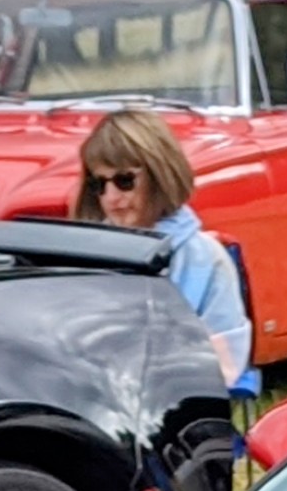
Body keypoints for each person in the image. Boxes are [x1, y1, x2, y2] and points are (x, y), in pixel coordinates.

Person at [77, 109, 256, 397]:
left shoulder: (206, 259)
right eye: (99, 184)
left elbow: (225, 367)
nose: (111, 197)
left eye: (125, 180)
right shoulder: (82, 254)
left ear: (160, 175)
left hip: (174, 408)